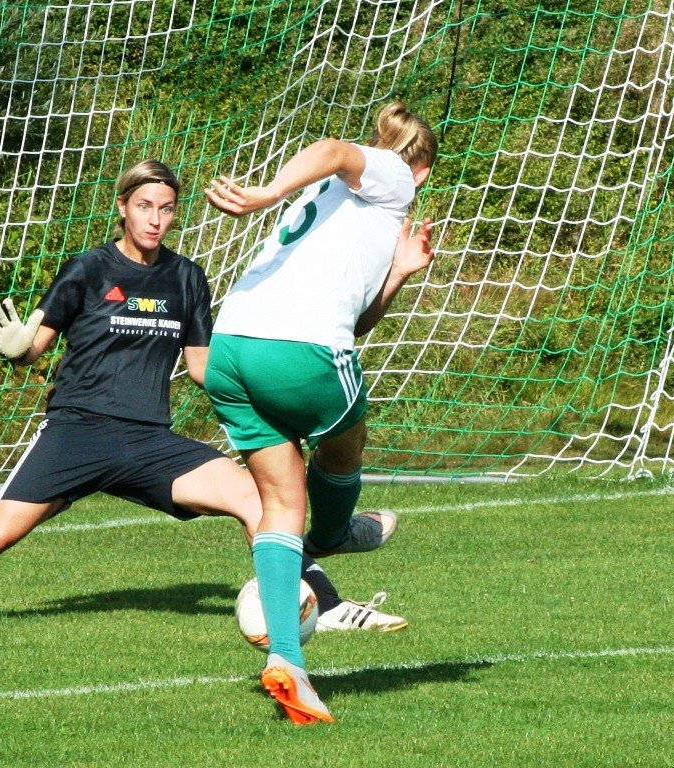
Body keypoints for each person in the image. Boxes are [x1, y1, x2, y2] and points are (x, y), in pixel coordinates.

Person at [0, 160, 361, 635]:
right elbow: (33, 348)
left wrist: (271, 392)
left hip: (149, 441)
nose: (156, 218)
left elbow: (202, 368)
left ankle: (327, 606)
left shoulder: (186, 278)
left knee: (257, 498)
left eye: (168, 209)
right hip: (76, 433)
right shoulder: (88, 269)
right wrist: (16, 349)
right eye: (145, 206)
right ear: (123, 207)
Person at [202, 101, 439, 725]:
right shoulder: (389, 176)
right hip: (297, 348)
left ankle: (289, 663)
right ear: (422, 171)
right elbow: (335, 148)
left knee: (281, 505)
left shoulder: (349, 214)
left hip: (232, 350)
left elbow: (358, 320)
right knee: (349, 437)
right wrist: (265, 192)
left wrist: (400, 273)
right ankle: (335, 534)